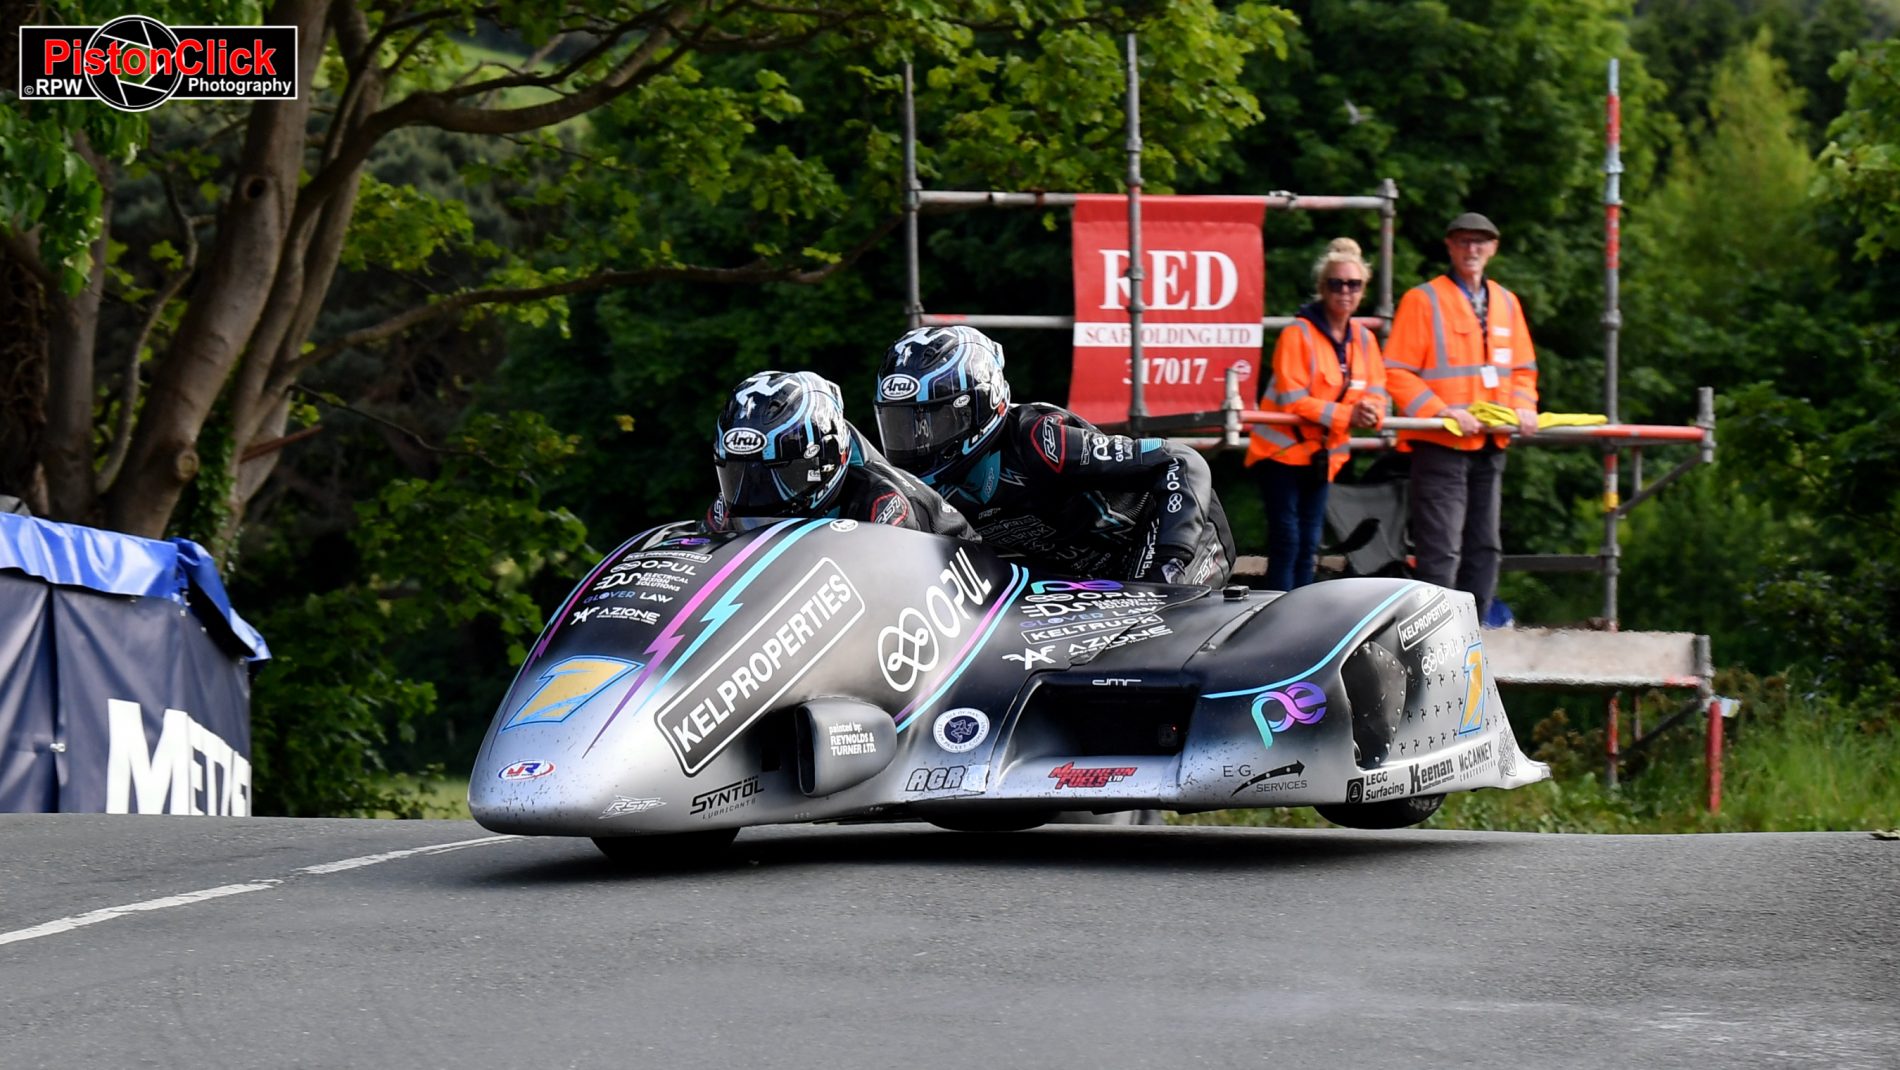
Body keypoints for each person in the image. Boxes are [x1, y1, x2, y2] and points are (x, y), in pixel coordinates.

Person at [872, 325, 1234, 585]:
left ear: (980, 405)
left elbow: (1180, 462)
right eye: (903, 425)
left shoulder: (1040, 439)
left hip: (1164, 537)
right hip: (1083, 578)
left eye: (934, 421)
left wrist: (1171, 560)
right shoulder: (924, 492)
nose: (919, 442)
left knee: (1154, 627)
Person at [1383, 212, 1539, 619]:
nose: (1472, 249)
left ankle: (1476, 633)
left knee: (1485, 547)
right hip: (1441, 444)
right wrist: (1442, 412)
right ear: (1450, 246)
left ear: (1493, 248)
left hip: (1490, 444)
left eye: (1480, 242)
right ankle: (1436, 636)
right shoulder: (1423, 300)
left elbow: (1523, 370)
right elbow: (1395, 371)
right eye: (1464, 241)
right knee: (1441, 549)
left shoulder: (1506, 303)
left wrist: (1524, 406)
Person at [1245, 237, 1387, 590]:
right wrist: (1348, 416)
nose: (1345, 291)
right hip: (1280, 453)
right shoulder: (1298, 334)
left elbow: (1377, 391)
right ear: (1322, 288)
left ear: (1363, 290)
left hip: (1323, 457)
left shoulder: (1364, 340)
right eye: (1336, 284)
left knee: (1309, 542)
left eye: (1353, 284)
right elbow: (1294, 399)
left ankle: (1301, 610)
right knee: (1288, 539)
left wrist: (1372, 410)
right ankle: (1278, 608)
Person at [708, 370, 974, 537]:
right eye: (739, 474)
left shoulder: (881, 501)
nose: (757, 492)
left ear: (825, 461)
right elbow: (704, 544)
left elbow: (894, 583)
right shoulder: (738, 501)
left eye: (781, 474)